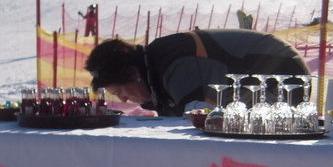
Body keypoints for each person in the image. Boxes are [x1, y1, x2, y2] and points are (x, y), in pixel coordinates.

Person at [85, 29, 310, 116]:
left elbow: (194, 120)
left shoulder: (174, 63)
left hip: (281, 74)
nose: (124, 100)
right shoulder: (154, 67)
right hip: (258, 80)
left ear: (133, 73)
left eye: (119, 91)